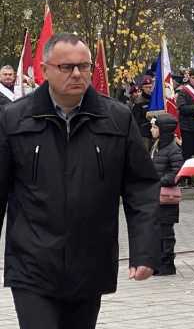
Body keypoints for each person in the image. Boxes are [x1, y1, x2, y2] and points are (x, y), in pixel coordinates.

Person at [0, 32, 161, 329]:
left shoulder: (116, 118)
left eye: (84, 66)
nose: (77, 74)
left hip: (90, 261)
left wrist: (146, 250)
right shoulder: (14, 120)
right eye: (66, 67)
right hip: (32, 263)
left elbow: (141, 187)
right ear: (45, 69)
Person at [150, 114, 183, 275]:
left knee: (166, 232)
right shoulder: (157, 146)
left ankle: (167, 263)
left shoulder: (172, 149)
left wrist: (159, 180)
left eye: (155, 127)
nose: (152, 130)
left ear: (164, 130)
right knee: (156, 230)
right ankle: (157, 262)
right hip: (156, 196)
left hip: (167, 199)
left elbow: (177, 173)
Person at [176, 68, 194, 161]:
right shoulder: (183, 91)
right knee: (187, 154)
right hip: (187, 128)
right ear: (189, 79)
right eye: (193, 77)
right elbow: (182, 109)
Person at [132, 75, 154, 151]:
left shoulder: (154, 99)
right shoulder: (138, 101)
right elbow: (136, 120)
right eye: (146, 87)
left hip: (154, 131)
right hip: (144, 133)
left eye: (150, 87)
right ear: (142, 87)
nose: (148, 89)